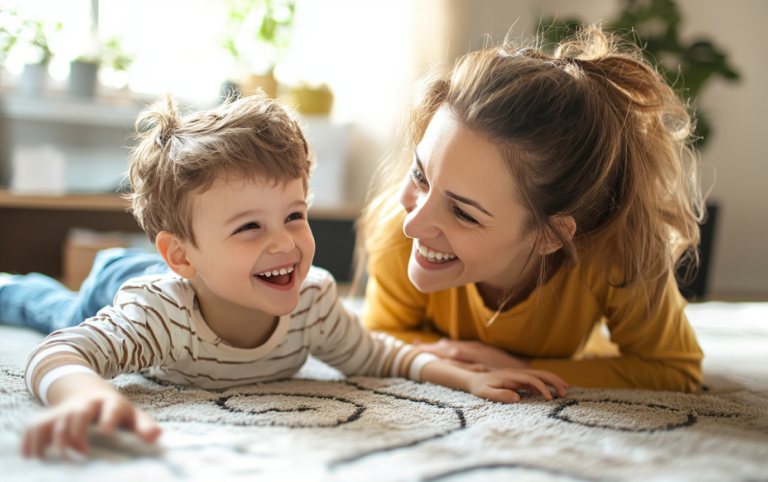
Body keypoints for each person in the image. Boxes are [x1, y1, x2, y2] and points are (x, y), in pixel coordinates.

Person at [0, 93, 568, 459]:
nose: (285, 243)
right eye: (250, 226)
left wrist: (460, 377)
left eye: (294, 215)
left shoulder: (314, 298)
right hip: (123, 283)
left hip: (194, 270)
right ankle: (13, 285)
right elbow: (55, 355)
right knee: (52, 309)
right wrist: (81, 397)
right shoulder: (155, 315)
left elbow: (377, 356)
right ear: (182, 255)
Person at [358, 26, 704, 393]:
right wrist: (466, 366)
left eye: (463, 213)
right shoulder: (399, 229)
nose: (413, 223)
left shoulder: (618, 252)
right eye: (420, 174)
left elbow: (674, 369)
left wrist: (520, 367)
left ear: (549, 234)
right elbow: (379, 340)